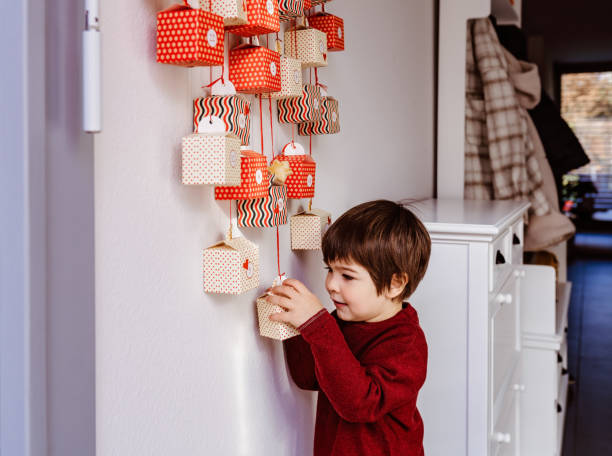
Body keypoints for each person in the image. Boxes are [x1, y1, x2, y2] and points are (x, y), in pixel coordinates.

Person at [266, 199, 431, 456]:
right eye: (329, 269)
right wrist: (296, 323)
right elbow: (308, 376)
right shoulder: (344, 322)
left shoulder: (407, 344)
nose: (331, 283)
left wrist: (317, 325)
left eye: (347, 276)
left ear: (395, 284)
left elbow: (359, 404)